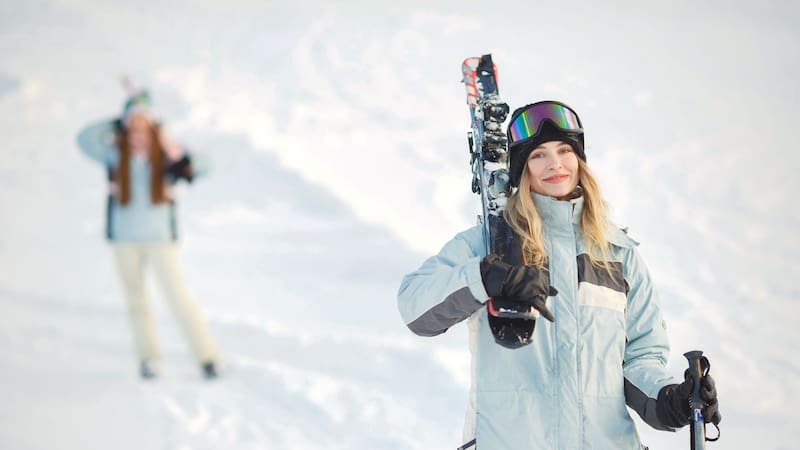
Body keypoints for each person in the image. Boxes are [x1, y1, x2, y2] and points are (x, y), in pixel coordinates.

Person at [397, 100, 720, 449]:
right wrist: (483, 278)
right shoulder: (490, 244)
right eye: (539, 155)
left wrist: (670, 399)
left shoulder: (617, 254)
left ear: (579, 160)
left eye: (565, 150)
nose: (555, 164)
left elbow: (640, 358)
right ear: (522, 168)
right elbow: (414, 306)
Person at [77, 79, 220, 380]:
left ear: (153, 128)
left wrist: (170, 144)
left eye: (144, 126)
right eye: (133, 126)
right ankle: (149, 358)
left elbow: (205, 166)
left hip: (159, 240)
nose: (138, 133)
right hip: (124, 240)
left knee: (177, 296)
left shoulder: (167, 158)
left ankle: (207, 356)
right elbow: (84, 139)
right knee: (136, 299)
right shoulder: (116, 156)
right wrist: (120, 118)